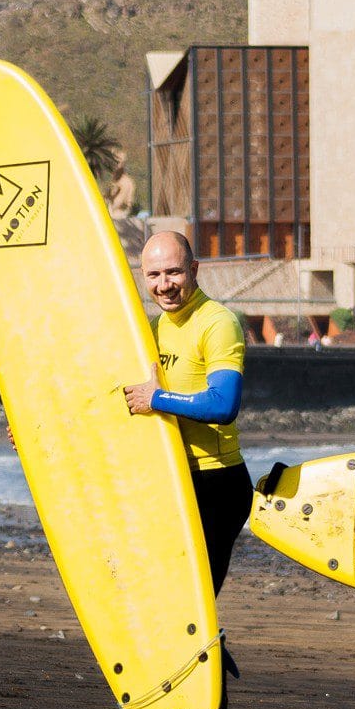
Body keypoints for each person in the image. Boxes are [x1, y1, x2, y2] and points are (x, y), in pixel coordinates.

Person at [123, 232, 252, 597]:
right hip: (173, 478)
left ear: (194, 269)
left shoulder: (217, 323)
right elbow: (118, 400)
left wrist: (159, 398)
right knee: (166, 606)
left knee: (190, 606)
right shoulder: (153, 330)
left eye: (173, 273)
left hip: (217, 483)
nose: (164, 285)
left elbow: (223, 405)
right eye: (153, 275)